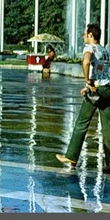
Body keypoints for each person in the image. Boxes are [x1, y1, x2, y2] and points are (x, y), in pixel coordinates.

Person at [56, 24, 110, 172]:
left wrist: (87, 81)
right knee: (107, 128)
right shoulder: (104, 50)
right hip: (107, 89)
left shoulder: (90, 48)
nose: (83, 36)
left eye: (85, 34)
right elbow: (101, 70)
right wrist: (90, 84)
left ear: (91, 35)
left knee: (82, 123)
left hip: (97, 91)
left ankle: (71, 156)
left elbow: (86, 62)